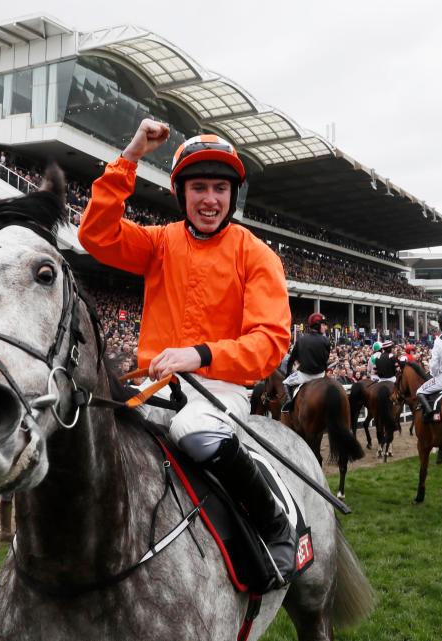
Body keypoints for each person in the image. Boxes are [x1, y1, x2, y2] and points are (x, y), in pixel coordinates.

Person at [78, 119, 295, 588]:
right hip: (151, 383)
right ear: (181, 193)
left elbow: (270, 343)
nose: (210, 199)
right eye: (199, 187)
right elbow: (95, 234)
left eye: (220, 187)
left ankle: (273, 523)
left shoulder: (257, 255)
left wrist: (198, 355)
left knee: (193, 431)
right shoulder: (159, 242)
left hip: (218, 390)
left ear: (233, 195)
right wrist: (131, 154)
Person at [281, 312, 330, 413]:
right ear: (317, 325)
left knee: (285, 383)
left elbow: (291, 360)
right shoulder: (326, 340)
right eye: (323, 324)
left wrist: (287, 374)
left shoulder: (301, 340)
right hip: (321, 375)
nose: (325, 327)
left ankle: (290, 404)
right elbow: (325, 361)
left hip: (304, 376)